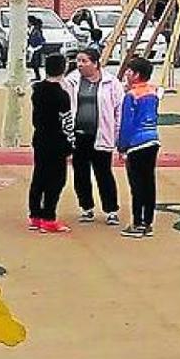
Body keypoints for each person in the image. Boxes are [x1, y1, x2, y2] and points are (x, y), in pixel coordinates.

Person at [64, 48, 123, 226]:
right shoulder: (71, 81)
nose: (80, 65)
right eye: (78, 61)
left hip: (102, 134)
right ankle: (86, 207)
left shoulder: (111, 82)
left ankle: (111, 210)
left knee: (103, 172)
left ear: (96, 63)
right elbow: (65, 108)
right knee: (80, 173)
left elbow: (118, 110)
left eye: (84, 61)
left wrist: (117, 136)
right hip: (78, 136)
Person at [28, 53, 75, 234]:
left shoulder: (37, 91)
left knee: (39, 176)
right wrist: (70, 143)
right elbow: (66, 122)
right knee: (57, 180)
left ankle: (35, 215)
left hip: (40, 138)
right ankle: (49, 217)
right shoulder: (61, 95)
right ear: (63, 69)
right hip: (57, 141)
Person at [116, 56, 161, 239]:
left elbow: (127, 124)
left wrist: (122, 147)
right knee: (149, 182)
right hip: (153, 139)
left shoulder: (131, 96)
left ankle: (137, 223)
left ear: (136, 75)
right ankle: (148, 223)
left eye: (129, 71)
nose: (126, 74)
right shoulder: (153, 92)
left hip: (136, 143)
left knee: (137, 185)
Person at [28, 16, 46, 81]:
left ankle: (38, 76)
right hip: (35, 47)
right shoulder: (33, 29)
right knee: (34, 63)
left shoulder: (36, 29)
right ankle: (37, 76)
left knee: (35, 63)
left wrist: (33, 44)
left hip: (37, 48)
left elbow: (37, 39)